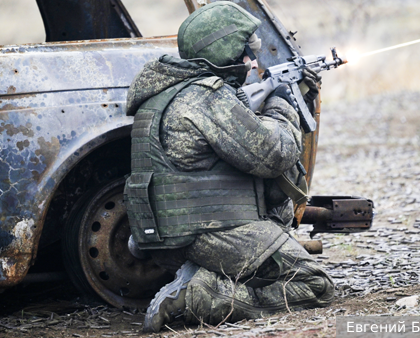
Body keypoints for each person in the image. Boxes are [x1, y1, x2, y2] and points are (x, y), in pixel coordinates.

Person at [123, 1, 333, 332]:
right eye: (247, 51)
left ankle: (202, 274)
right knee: (316, 286)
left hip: (165, 239)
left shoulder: (164, 94)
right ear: (226, 53)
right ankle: (201, 295)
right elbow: (275, 154)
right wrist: (281, 101)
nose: (253, 60)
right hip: (214, 235)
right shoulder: (206, 98)